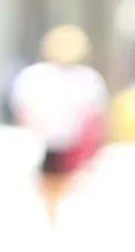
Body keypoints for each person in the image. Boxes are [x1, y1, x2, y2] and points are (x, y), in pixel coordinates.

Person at [11, 24, 108, 225]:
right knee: (52, 189)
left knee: (66, 189)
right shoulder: (37, 76)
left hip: (74, 144)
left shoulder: (87, 78)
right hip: (47, 142)